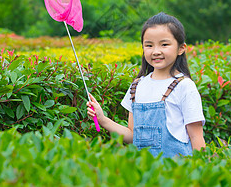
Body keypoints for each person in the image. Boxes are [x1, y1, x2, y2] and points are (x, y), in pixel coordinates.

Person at [87, 12, 205, 158]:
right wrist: (102, 119)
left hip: (177, 173)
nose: (156, 51)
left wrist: (201, 172)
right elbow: (132, 136)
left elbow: (196, 137)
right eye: (149, 45)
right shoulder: (137, 86)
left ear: (181, 48)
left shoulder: (185, 86)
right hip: (143, 174)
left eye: (164, 44)